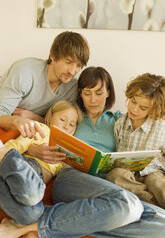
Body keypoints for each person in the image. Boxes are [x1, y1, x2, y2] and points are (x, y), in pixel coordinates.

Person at [1, 67, 165, 238]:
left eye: (99, 93)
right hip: (71, 177)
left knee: (161, 223)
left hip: (106, 184)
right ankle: (38, 227)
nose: (93, 100)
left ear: (109, 93)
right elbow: (51, 126)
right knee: (128, 205)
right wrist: (33, 139)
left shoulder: (120, 120)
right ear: (80, 94)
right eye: (87, 93)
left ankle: (49, 225)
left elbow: (147, 114)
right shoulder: (74, 116)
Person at [0, 100, 82, 226]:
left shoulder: (68, 149)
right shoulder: (42, 129)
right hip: (27, 167)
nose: (66, 126)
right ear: (50, 117)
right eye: (62, 119)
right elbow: (15, 146)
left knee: (32, 215)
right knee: (33, 193)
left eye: (72, 124)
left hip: (33, 185)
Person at [0, 31, 89, 140]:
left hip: (28, 136)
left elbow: (69, 124)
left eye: (78, 65)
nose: (72, 71)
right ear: (53, 55)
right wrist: (18, 121)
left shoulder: (72, 88)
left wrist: (35, 119)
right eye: (68, 62)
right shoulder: (25, 71)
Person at [106, 73, 165, 208]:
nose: (134, 109)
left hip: (152, 172)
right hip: (128, 175)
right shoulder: (120, 124)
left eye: (143, 108)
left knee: (157, 183)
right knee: (114, 176)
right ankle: (149, 200)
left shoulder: (161, 127)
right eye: (133, 101)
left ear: (154, 109)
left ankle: (152, 198)